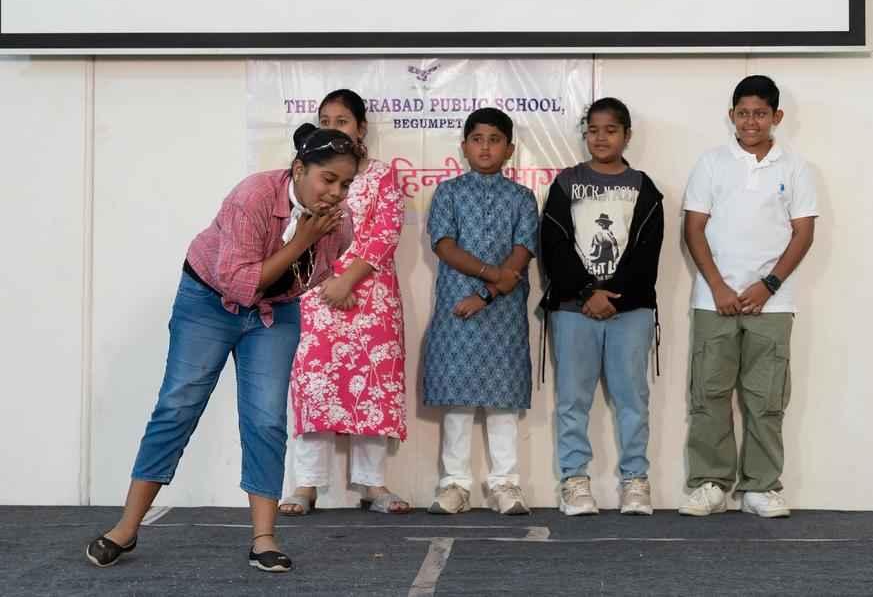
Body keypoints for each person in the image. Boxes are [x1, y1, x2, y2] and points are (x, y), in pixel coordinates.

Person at [85, 125, 362, 572]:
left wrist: (309, 248)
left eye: (345, 184)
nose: (336, 193)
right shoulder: (252, 197)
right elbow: (239, 284)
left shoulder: (338, 223)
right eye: (327, 179)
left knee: (266, 419)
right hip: (209, 302)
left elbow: (311, 275)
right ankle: (126, 527)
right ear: (298, 169)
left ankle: (264, 539)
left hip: (274, 312)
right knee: (178, 405)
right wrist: (302, 241)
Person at [679, 75, 817, 519]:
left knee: (766, 400)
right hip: (714, 301)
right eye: (743, 113)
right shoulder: (711, 163)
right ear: (731, 115)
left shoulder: (795, 168)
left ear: (777, 116)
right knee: (709, 395)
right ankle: (710, 484)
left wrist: (768, 285)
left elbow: (803, 233)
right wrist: (718, 286)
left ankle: (761, 487)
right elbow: (694, 229)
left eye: (760, 113)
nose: (751, 121)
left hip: (773, 303)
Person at [282, 90, 410, 516]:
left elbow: (385, 233)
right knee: (315, 385)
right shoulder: (309, 175)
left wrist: (349, 279)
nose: (333, 128)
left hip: (371, 298)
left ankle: (372, 485)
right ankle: (306, 485)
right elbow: (301, 226)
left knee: (372, 385)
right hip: (317, 292)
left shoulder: (382, 175)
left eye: (342, 121)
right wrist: (331, 281)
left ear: (361, 128)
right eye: (325, 121)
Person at [540, 97, 664, 516]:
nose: (601, 138)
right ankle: (574, 480)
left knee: (632, 399)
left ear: (627, 135)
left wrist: (615, 295)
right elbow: (554, 245)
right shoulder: (566, 183)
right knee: (573, 400)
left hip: (630, 311)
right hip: (574, 309)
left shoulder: (644, 187)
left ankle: (635, 480)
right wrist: (586, 291)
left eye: (611, 130)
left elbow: (647, 251)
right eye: (593, 130)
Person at [422, 107, 538, 515]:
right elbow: (444, 245)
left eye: (494, 140)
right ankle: (454, 484)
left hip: (503, 312)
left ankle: (505, 484)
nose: (485, 147)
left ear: (510, 149)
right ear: (464, 146)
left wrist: (489, 292)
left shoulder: (522, 198)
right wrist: (493, 275)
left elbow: (523, 250)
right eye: (477, 139)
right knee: (458, 400)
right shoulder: (448, 193)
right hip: (458, 308)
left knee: (503, 399)